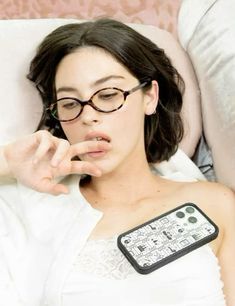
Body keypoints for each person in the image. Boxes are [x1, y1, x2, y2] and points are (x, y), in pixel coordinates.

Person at [0, 18, 234, 306]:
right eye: (70, 103)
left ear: (150, 97)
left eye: (108, 95)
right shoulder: (32, 209)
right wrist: (6, 162)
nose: (88, 116)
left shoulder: (214, 204)